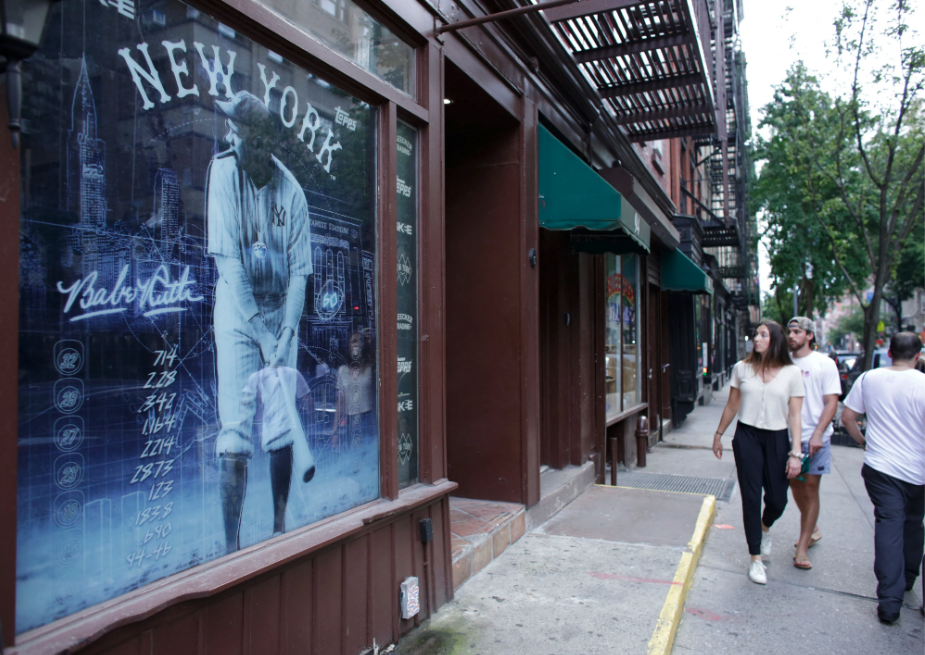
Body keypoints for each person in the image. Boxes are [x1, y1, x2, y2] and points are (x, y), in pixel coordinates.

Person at [207, 91, 313, 552]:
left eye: (244, 137)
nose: (235, 141)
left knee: (280, 425)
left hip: (278, 307)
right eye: (234, 133)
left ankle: (277, 527)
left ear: (264, 142)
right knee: (235, 428)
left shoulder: (292, 192)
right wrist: (261, 330)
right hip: (236, 308)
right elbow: (228, 263)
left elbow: (300, 273)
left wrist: (285, 332)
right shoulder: (222, 173)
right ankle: (229, 545)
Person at [842, 332, 925, 625]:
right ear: (917, 356)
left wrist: (863, 441)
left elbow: (848, 417)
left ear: (889, 352)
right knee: (914, 523)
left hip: (881, 468)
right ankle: (909, 577)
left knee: (890, 526)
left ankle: (890, 603)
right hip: (918, 471)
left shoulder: (869, 378)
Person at [712, 320, 804, 585]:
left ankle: (765, 528)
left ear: (775, 340)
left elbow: (796, 414)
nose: (757, 338)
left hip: (777, 438)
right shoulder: (742, 369)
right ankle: (755, 558)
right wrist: (719, 435)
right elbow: (732, 405)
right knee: (751, 497)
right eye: (756, 334)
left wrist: (795, 452)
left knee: (777, 500)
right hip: (747, 436)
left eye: (763, 335)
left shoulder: (791, 373)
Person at [787, 317, 841, 570]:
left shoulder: (824, 363)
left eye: (797, 332)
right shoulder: (782, 361)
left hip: (815, 437)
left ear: (809, 335)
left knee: (810, 488)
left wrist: (819, 433)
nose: (791, 335)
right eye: (789, 331)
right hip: (787, 437)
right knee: (795, 486)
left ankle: (802, 546)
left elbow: (832, 402)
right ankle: (813, 526)